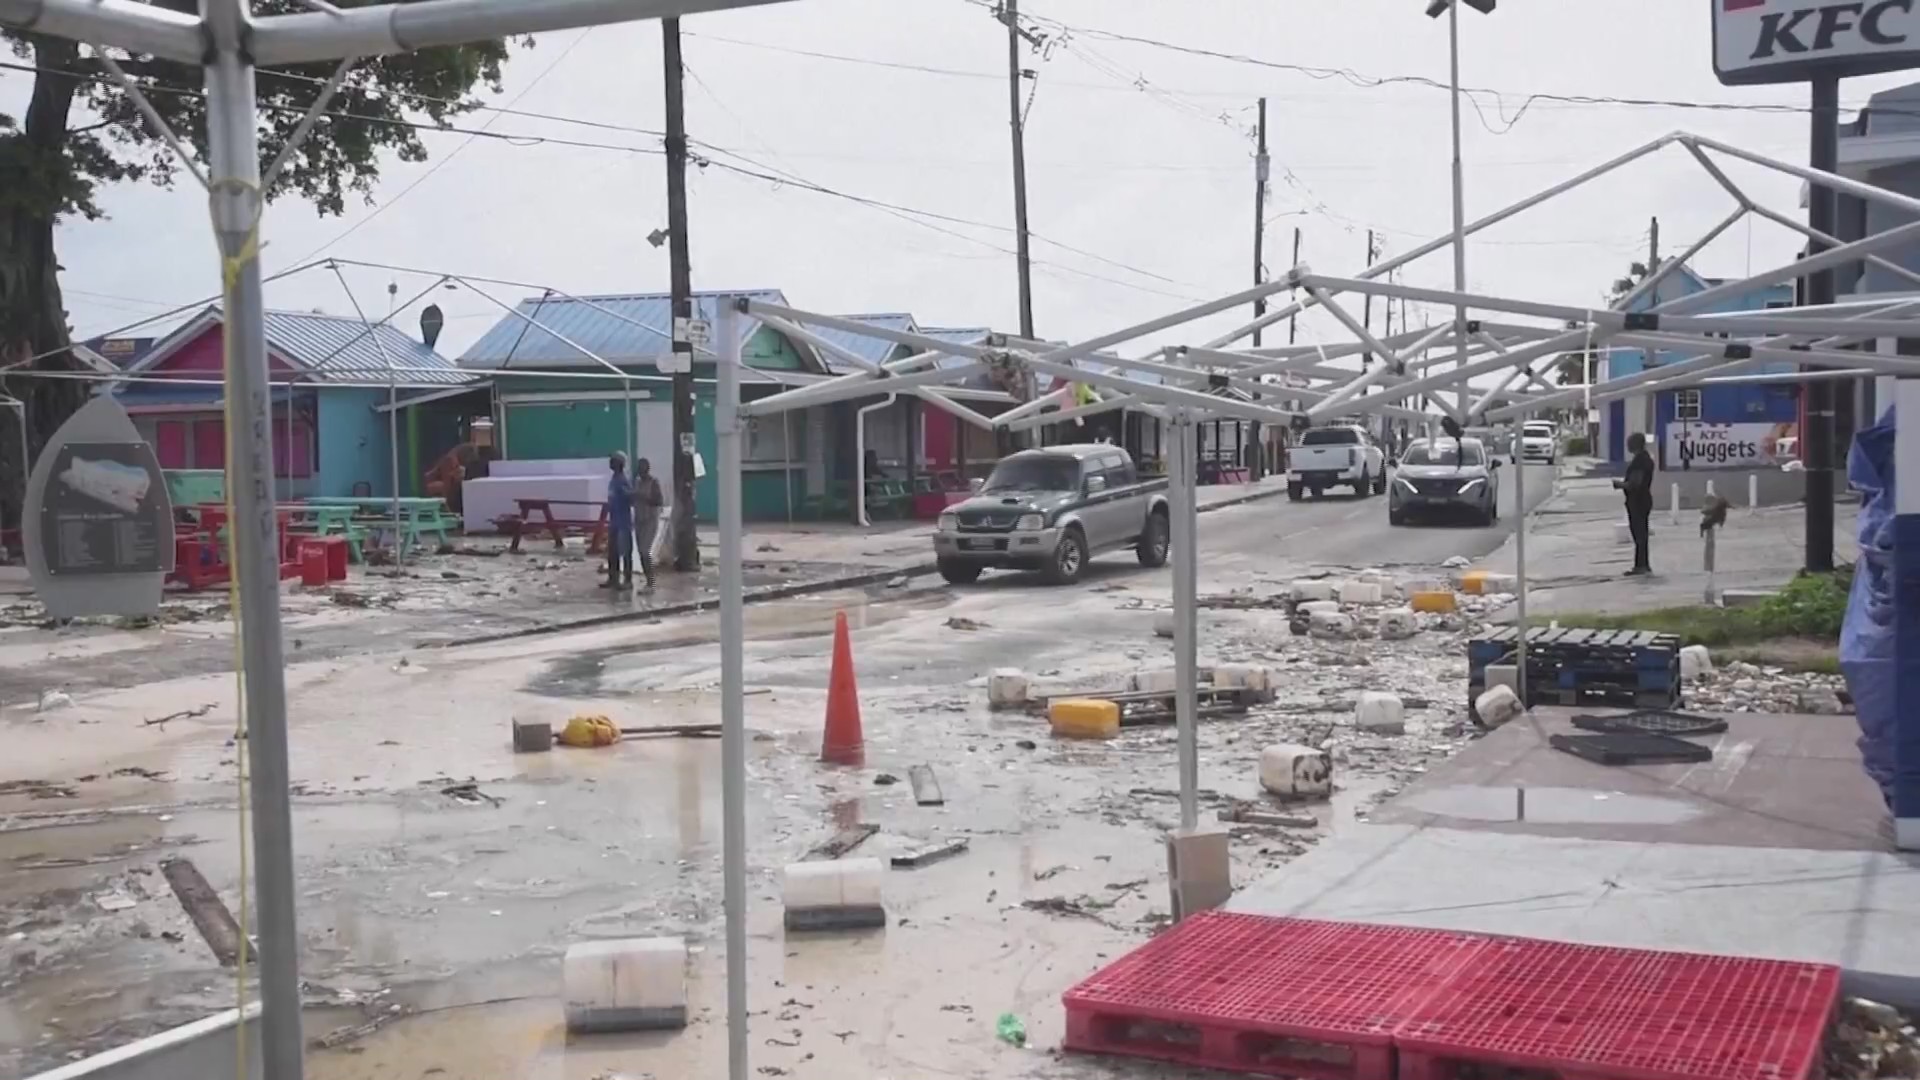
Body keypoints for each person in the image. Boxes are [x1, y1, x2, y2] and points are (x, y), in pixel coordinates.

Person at [1617, 432, 1656, 576]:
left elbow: (1635, 483)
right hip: (1642, 500)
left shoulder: (1640, 461)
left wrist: (1620, 485)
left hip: (1638, 500)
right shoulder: (1645, 459)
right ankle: (1641, 564)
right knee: (1640, 533)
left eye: (1629, 442)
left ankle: (1642, 565)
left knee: (1639, 534)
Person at [602, 452, 634, 590]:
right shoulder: (613, 479)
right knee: (612, 552)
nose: (610, 463)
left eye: (613, 461)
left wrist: (626, 493)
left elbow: (630, 497)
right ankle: (613, 578)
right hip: (614, 521)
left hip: (623, 522)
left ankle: (628, 580)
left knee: (625, 552)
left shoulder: (623, 480)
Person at [632, 456, 664, 590]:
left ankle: (652, 582)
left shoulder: (654, 482)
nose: (640, 472)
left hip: (650, 520)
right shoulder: (637, 482)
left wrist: (645, 498)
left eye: (642, 469)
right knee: (640, 552)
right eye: (639, 469)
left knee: (646, 551)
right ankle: (648, 580)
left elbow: (659, 501)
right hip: (639, 520)